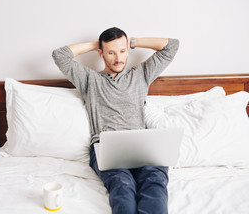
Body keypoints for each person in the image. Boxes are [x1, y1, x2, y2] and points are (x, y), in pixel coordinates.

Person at [52, 27, 179, 214]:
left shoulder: (140, 74)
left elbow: (172, 46)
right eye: (111, 53)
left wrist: (132, 41)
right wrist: (98, 43)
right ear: (101, 53)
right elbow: (59, 55)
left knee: (155, 183)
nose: (118, 58)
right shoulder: (89, 79)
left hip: (142, 145)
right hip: (107, 147)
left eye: (122, 51)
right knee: (122, 186)